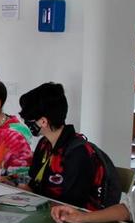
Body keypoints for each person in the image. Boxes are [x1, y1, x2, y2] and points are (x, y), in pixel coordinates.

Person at [18, 82, 120, 210]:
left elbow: (73, 204)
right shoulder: (44, 144)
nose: (26, 124)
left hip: (75, 219)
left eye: (28, 120)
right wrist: (13, 185)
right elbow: (34, 185)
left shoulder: (78, 153)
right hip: (49, 212)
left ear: (43, 122)